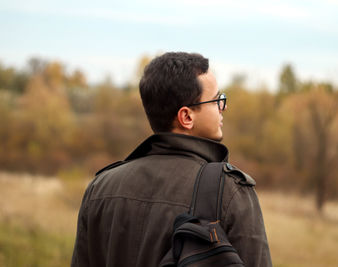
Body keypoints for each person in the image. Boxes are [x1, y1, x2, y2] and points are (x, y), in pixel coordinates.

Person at [71, 52, 273, 267]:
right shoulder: (230, 191)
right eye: (217, 101)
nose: (224, 107)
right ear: (187, 117)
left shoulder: (100, 188)